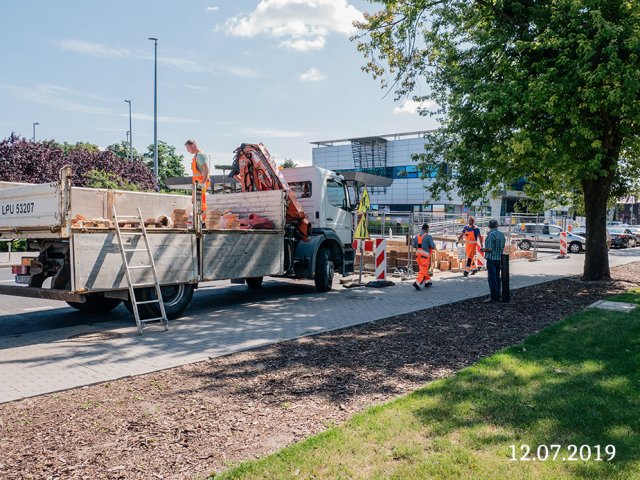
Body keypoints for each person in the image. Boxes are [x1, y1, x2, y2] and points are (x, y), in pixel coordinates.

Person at [185, 139, 210, 219]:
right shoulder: (196, 156)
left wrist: (203, 183)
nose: (187, 151)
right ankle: (201, 221)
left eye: (188, 148)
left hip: (201, 183)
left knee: (201, 203)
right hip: (197, 184)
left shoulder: (200, 155)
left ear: (193, 145)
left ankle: (203, 222)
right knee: (196, 202)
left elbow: (206, 170)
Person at [482, 219, 506, 302]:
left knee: (492, 279)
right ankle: (498, 294)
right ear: (497, 225)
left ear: (489, 226)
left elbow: (489, 249)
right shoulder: (501, 235)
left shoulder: (490, 235)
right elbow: (502, 246)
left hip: (491, 259)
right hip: (499, 258)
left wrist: (483, 249)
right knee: (497, 278)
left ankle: (493, 297)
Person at [412, 223, 436, 290]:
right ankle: (417, 282)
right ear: (427, 229)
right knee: (423, 270)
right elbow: (433, 246)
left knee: (423, 269)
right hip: (425, 256)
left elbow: (413, 245)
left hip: (418, 256)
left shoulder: (417, 236)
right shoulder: (428, 237)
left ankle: (427, 282)